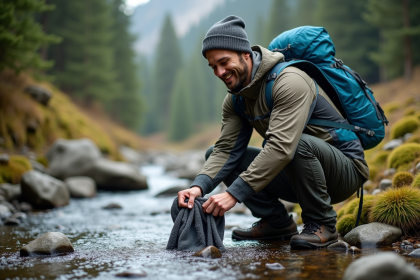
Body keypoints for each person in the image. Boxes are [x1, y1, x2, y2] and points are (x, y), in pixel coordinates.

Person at [177, 15, 369, 249]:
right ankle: (276, 222)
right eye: (213, 66)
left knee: (296, 144)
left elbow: (281, 147)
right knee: (215, 154)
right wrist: (198, 187)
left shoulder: (290, 80)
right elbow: (226, 150)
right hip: (296, 171)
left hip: (343, 171)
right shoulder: (236, 99)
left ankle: (323, 225)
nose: (219, 72)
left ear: (245, 54)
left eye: (224, 62)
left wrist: (233, 195)